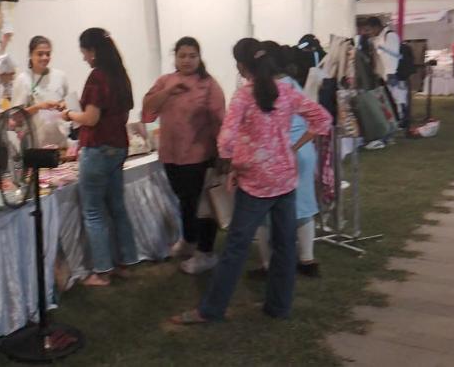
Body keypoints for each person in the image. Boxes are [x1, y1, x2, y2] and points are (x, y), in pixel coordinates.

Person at [170, 38, 331, 325]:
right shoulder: (287, 90)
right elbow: (323, 119)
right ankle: (279, 306)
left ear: (242, 67)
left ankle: (211, 310)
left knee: (236, 248)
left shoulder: (244, 96)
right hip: (285, 180)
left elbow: (225, 142)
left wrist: (237, 161)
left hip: (255, 184)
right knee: (285, 245)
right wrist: (291, 147)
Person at [141, 37, 226, 274]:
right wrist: (168, 91)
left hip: (200, 156)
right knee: (184, 201)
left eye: (192, 56)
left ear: (199, 57)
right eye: (182, 56)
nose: (187, 60)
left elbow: (220, 121)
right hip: (171, 155)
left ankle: (206, 252)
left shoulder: (208, 85)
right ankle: (189, 240)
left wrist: (223, 154)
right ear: (175, 58)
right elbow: (147, 109)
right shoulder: (165, 81)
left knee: (203, 204)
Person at [61, 27, 138, 286]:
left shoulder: (97, 77)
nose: (83, 57)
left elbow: (91, 118)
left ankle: (102, 271)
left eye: (84, 52)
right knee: (117, 206)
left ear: (92, 51)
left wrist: (69, 114)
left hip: (98, 148)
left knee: (93, 210)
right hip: (118, 146)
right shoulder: (120, 75)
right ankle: (127, 261)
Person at [250, 43, 322, 279]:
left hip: (278, 155)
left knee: (263, 211)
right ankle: (307, 260)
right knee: (303, 206)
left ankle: (269, 264)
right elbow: (317, 120)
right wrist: (298, 145)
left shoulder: (264, 89)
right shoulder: (293, 84)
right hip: (301, 152)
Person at [12, 35, 70, 148]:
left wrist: (64, 105)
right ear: (30, 55)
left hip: (61, 141)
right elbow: (16, 117)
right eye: (40, 54)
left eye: (48, 54)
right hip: (36, 144)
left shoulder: (60, 76)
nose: (44, 57)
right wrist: (39, 107)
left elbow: (69, 105)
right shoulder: (23, 79)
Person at [363, 17, 403, 149]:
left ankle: (392, 133)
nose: (368, 33)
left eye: (369, 30)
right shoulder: (378, 38)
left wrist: (390, 75)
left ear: (376, 27)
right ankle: (389, 132)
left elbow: (392, 57)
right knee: (387, 104)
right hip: (383, 76)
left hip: (390, 76)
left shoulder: (390, 36)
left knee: (392, 104)